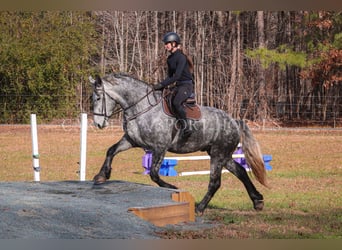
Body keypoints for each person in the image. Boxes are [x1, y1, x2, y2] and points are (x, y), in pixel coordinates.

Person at [153, 32, 194, 139]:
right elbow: (170, 76)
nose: (166, 45)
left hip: (186, 86)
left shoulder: (181, 57)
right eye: (165, 43)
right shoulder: (170, 59)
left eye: (167, 43)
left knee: (176, 102)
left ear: (174, 43)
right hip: (177, 86)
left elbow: (176, 76)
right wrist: (161, 86)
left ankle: (186, 127)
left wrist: (162, 84)